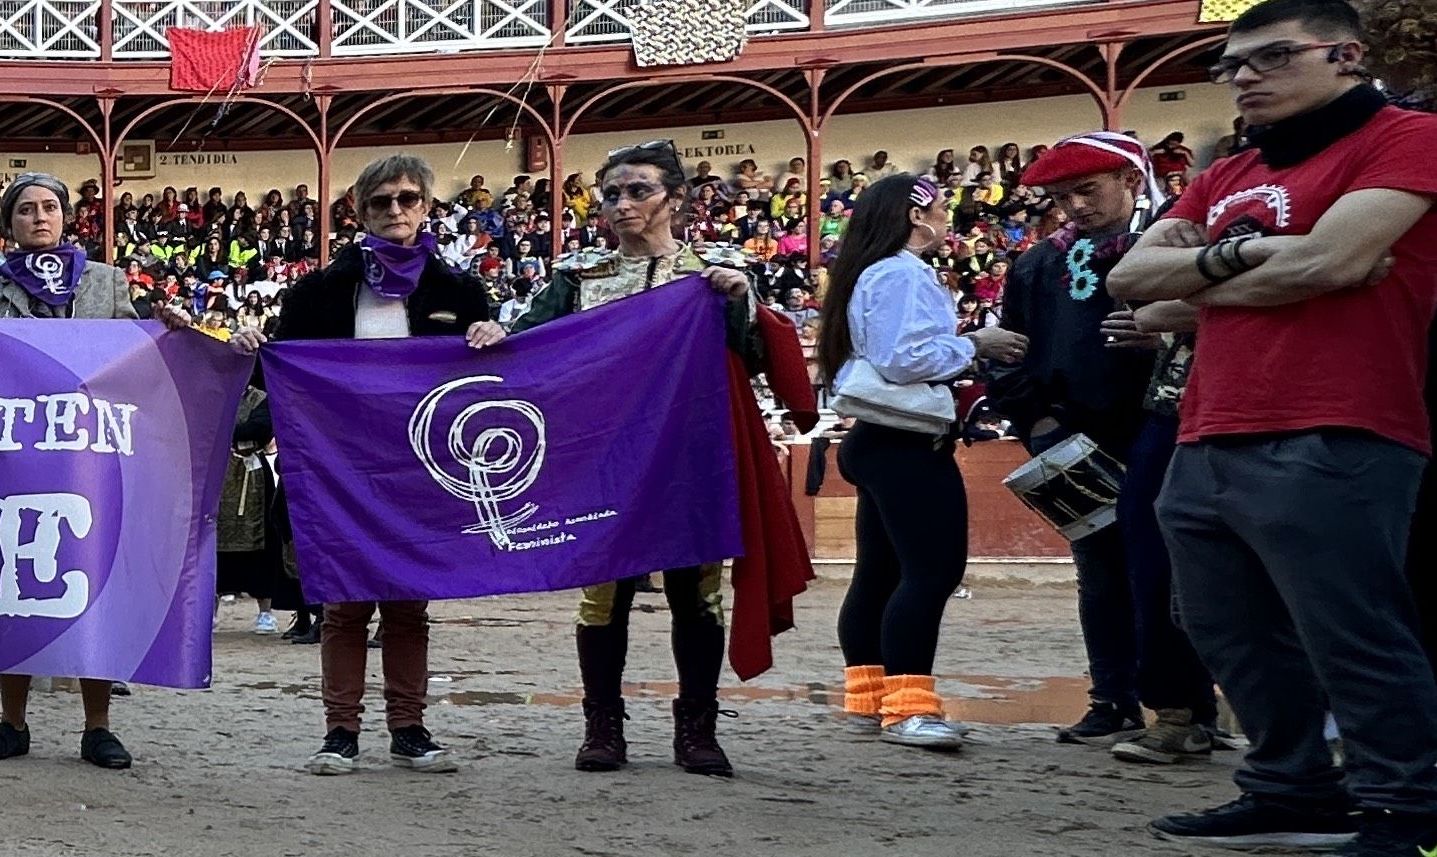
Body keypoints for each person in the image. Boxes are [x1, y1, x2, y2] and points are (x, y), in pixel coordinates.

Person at [1110, 0, 1437, 857]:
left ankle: (1410, 812)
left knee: (1350, 629)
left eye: (1271, 57)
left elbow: (1334, 261)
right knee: (1222, 622)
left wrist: (1199, 291)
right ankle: (1294, 787)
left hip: (1340, 417)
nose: (1244, 76)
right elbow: (1132, 281)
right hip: (1211, 422)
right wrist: (1250, 262)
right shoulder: (1227, 171)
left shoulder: (1404, 137)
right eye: (1232, 65)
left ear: (1347, 57)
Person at [484, 141, 774, 778]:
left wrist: (738, 301)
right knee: (601, 597)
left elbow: (753, 361)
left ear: (675, 198)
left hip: (688, 458)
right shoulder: (577, 276)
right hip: (604, 462)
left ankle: (698, 730)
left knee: (695, 597)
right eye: (611, 193)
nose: (620, 204)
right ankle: (603, 728)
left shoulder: (713, 274)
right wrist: (494, 336)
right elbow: (527, 353)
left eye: (637, 191)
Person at [263, 156, 495, 776]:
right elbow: (278, 373)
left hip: (424, 467)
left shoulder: (461, 292)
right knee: (344, 606)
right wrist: (248, 350)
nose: (396, 210)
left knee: (407, 605)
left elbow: (493, 380)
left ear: (426, 208)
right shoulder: (316, 293)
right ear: (359, 212)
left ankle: (409, 728)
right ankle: (340, 732)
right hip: (342, 468)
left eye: (408, 199)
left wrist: (496, 336)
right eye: (381, 201)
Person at [988, 132, 1211, 754]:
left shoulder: (1178, 247)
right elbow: (1011, 351)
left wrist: (1162, 338)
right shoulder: (1038, 264)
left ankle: (1189, 706)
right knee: (1101, 572)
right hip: (1069, 433)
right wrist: (1037, 426)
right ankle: (1115, 699)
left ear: (1133, 182)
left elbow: (1224, 326)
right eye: (1062, 196)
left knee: (1172, 571)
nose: (1074, 207)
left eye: (1087, 189)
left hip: (1163, 423)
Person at [817, 173, 1020, 749]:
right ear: (914, 215)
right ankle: (909, 706)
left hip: (879, 440)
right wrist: (975, 345)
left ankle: (871, 695)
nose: (947, 219)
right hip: (907, 441)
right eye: (940, 209)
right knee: (930, 572)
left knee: (880, 574)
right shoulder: (902, 272)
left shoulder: (871, 271)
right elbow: (905, 358)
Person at [0, 171, 142, 770]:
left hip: (88, 455)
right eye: (27, 209)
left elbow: (141, 352)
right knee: (13, 577)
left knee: (93, 580)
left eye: (50, 207)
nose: (40, 217)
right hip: (16, 455)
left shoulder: (105, 283)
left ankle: (98, 724)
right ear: (8, 224)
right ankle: (12, 720)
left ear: (66, 217)